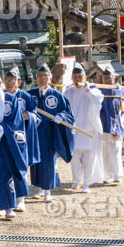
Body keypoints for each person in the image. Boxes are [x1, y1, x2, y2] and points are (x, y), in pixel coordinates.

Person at [0, 64, 28, 219]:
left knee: (4, 174)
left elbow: (16, 122)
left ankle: (9, 207)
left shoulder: (10, 99)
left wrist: (3, 130)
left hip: (6, 144)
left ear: (0, 85)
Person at [26, 63, 75, 202]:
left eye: (45, 76)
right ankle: (39, 189)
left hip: (50, 134)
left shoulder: (57, 95)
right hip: (34, 134)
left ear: (50, 78)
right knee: (36, 162)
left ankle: (48, 191)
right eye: (40, 76)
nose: (43, 79)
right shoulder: (30, 95)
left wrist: (62, 117)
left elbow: (68, 113)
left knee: (48, 162)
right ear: (36, 79)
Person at [63, 63, 104, 191]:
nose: (77, 78)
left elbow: (98, 102)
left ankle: (87, 182)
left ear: (85, 77)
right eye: (75, 76)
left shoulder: (94, 90)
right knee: (75, 159)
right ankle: (77, 180)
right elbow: (63, 107)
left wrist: (88, 91)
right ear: (72, 78)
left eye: (80, 76)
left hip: (88, 130)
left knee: (88, 159)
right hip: (74, 130)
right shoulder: (68, 91)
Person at [5, 68, 39, 212]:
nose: (9, 82)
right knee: (5, 169)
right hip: (5, 137)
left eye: (12, 80)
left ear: (18, 82)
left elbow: (35, 115)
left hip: (21, 137)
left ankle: (20, 199)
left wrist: (25, 116)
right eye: (6, 79)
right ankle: (6, 200)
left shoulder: (25, 96)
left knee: (20, 168)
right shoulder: (1, 96)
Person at [97, 65, 124, 185]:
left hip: (116, 125)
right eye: (104, 78)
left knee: (115, 149)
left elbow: (120, 111)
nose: (106, 80)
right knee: (106, 150)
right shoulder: (101, 90)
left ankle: (116, 174)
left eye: (108, 78)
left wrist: (116, 127)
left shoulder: (118, 92)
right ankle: (110, 174)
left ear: (114, 79)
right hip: (104, 124)